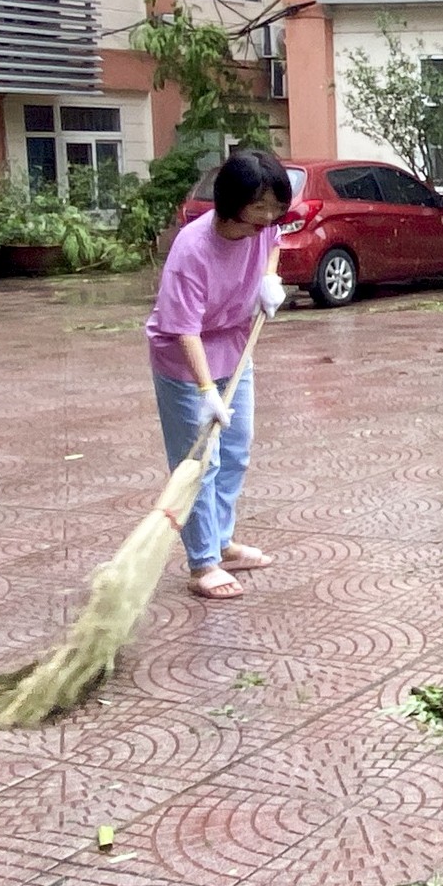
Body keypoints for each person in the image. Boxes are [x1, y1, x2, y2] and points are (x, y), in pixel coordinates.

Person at [144, 151, 292, 599]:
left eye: (275, 207)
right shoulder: (192, 249)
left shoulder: (262, 230)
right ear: (232, 202)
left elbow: (274, 245)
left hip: (234, 346)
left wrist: (270, 281)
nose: (268, 218)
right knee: (199, 464)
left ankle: (222, 543)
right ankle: (202, 563)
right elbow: (184, 329)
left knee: (235, 450)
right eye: (259, 207)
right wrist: (207, 390)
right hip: (185, 359)